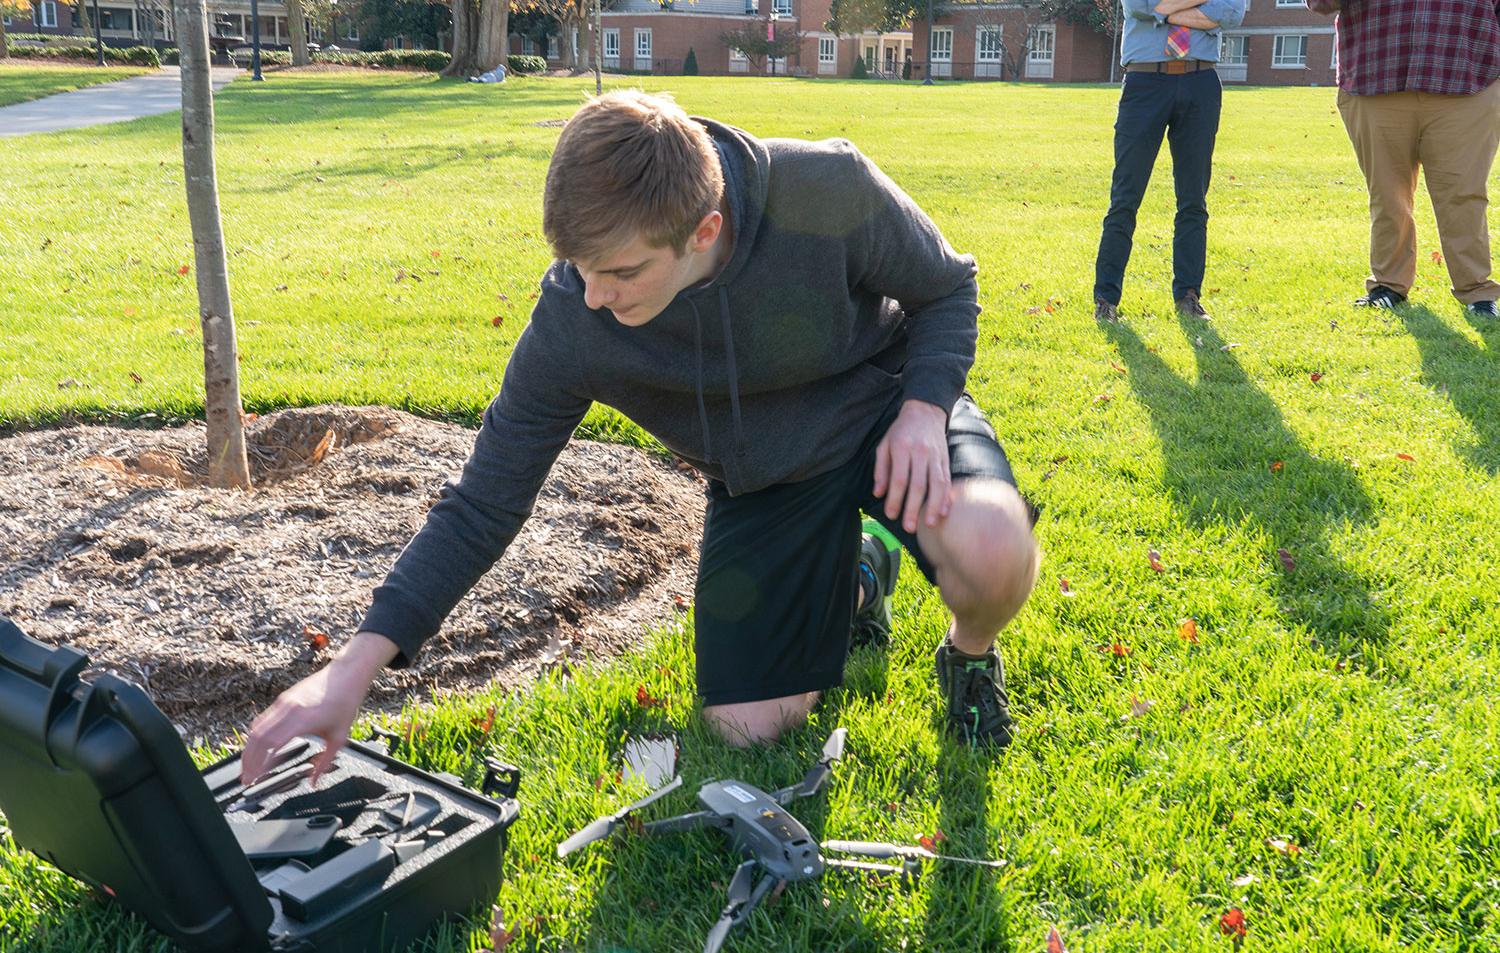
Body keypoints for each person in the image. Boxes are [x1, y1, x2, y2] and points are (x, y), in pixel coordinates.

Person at [240, 91, 1040, 783]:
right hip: (767, 481)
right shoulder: (574, 320)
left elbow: (948, 287)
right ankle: (861, 577)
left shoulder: (826, 186)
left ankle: (968, 654)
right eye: (576, 266)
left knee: (992, 546)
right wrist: (350, 672)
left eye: (620, 272)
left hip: (886, 413)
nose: (591, 296)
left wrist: (926, 409)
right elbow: (484, 501)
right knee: (747, 730)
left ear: (703, 231)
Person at [1305, 0, 1500, 319]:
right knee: (1388, 194)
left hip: (1467, 86)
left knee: (1464, 195)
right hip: (1375, 84)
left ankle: (1477, 291)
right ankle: (1388, 284)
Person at [1093, 0, 1246, 323]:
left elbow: (1232, 12)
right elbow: (1135, 1)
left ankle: (1188, 298)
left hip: (1200, 82)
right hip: (1146, 82)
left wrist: (1162, 5)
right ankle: (1106, 301)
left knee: (1193, 200)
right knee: (1125, 197)